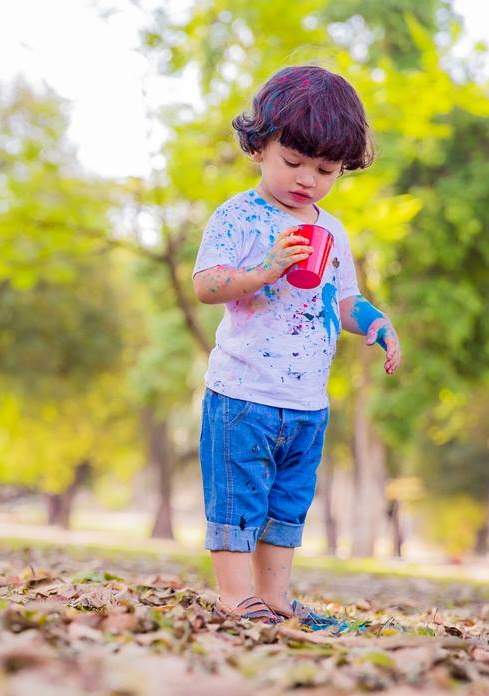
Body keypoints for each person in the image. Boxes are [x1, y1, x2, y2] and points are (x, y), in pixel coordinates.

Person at [191, 65, 402, 623]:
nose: (308, 179)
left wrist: (376, 321)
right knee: (238, 499)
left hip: (307, 399)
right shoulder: (238, 216)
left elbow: (342, 299)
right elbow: (206, 285)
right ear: (258, 146)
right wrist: (264, 271)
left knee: (287, 504)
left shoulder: (332, 231)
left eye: (326, 170)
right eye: (293, 162)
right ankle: (236, 596)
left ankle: (274, 597)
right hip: (242, 392)